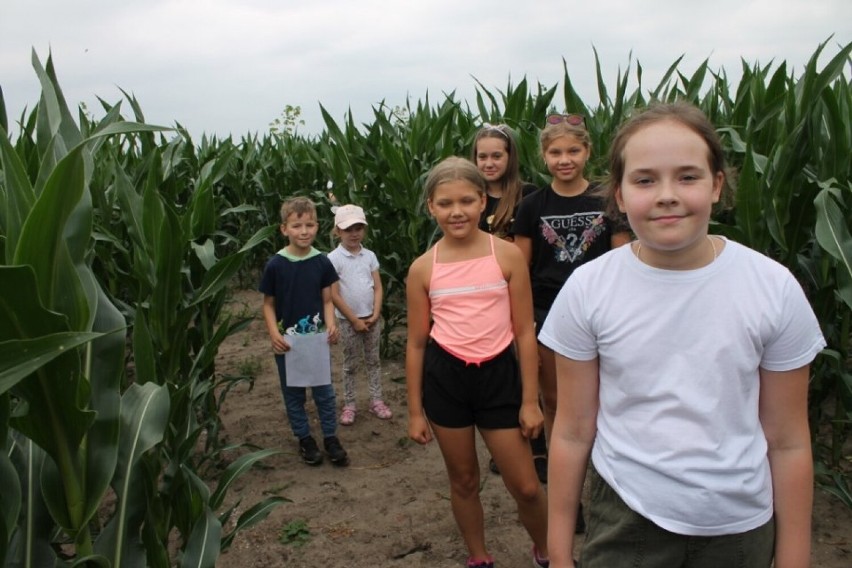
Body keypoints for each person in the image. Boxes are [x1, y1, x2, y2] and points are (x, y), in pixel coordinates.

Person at [540, 102, 826, 567]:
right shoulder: (589, 289)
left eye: (688, 177)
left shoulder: (772, 288)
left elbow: (789, 439)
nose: (666, 195)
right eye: (645, 179)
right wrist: (559, 552)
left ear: (717, 185)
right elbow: (572, 432)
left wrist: (794, 558)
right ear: (618, 193)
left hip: (740, 527)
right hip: (626, 518)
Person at [406, 157, 550, 568]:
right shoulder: (422, 269)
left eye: (467, 201)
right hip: (446, 380)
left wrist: (530, 401)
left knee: (524, 485)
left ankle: (548, 552)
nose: (457, 211)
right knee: (464, 479)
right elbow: (416, 343)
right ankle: (479, 557)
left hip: (499, 378)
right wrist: (415, 411)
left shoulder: (506, 256)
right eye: (446, 203)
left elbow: (524, 332)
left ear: (483, 202)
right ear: (431, 206)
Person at [512, 114, 631, 527]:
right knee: (559, 406)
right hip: (548, 315)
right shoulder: (531, 207)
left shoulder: (607, 202)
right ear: (544, 156)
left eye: (573, 151)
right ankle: (572, 501)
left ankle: (607, 495)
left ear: (588, 151)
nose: (565, 159)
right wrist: (523, 321)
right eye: (555, 152)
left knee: (606, 404)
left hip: (600, 313)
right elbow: (520, 269)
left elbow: (622, 263)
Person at [472, 122, 548, 481]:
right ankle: (509, 447)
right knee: (501, 373)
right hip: (482, 300)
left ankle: (540, 444)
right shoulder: (469, 196)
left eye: (496, 155)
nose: (489, 163)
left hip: (521, 294)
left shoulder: (529, 196)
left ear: (510, 157)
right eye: (482, 156)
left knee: (533, 368)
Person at [259, 196, 350, 467]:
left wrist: (331, 323)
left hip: (316, 339)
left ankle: (331, 438)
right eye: (297, 225)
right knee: (294, 394)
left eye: (309, 225)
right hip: (287, 342)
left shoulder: (321, 262)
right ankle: (304, 438)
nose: (304, 231)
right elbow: (268, 305)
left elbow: (327, 300)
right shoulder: (276, 265)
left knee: (325, 392)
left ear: (317, 227)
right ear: (284, 229)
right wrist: (273, 334)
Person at [328, 203, 392, 425]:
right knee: (350, 364)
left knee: (373, 361)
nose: (354, 234)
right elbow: (334, 295)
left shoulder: (369, 255)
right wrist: (354, 320)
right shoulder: (333, 258)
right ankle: (350, 404)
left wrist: (375, 313)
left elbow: (378, 286)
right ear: (338, 231)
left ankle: (376, 400)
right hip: (348, 322)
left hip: (372, 319)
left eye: (358, 228)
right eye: (348, 229)